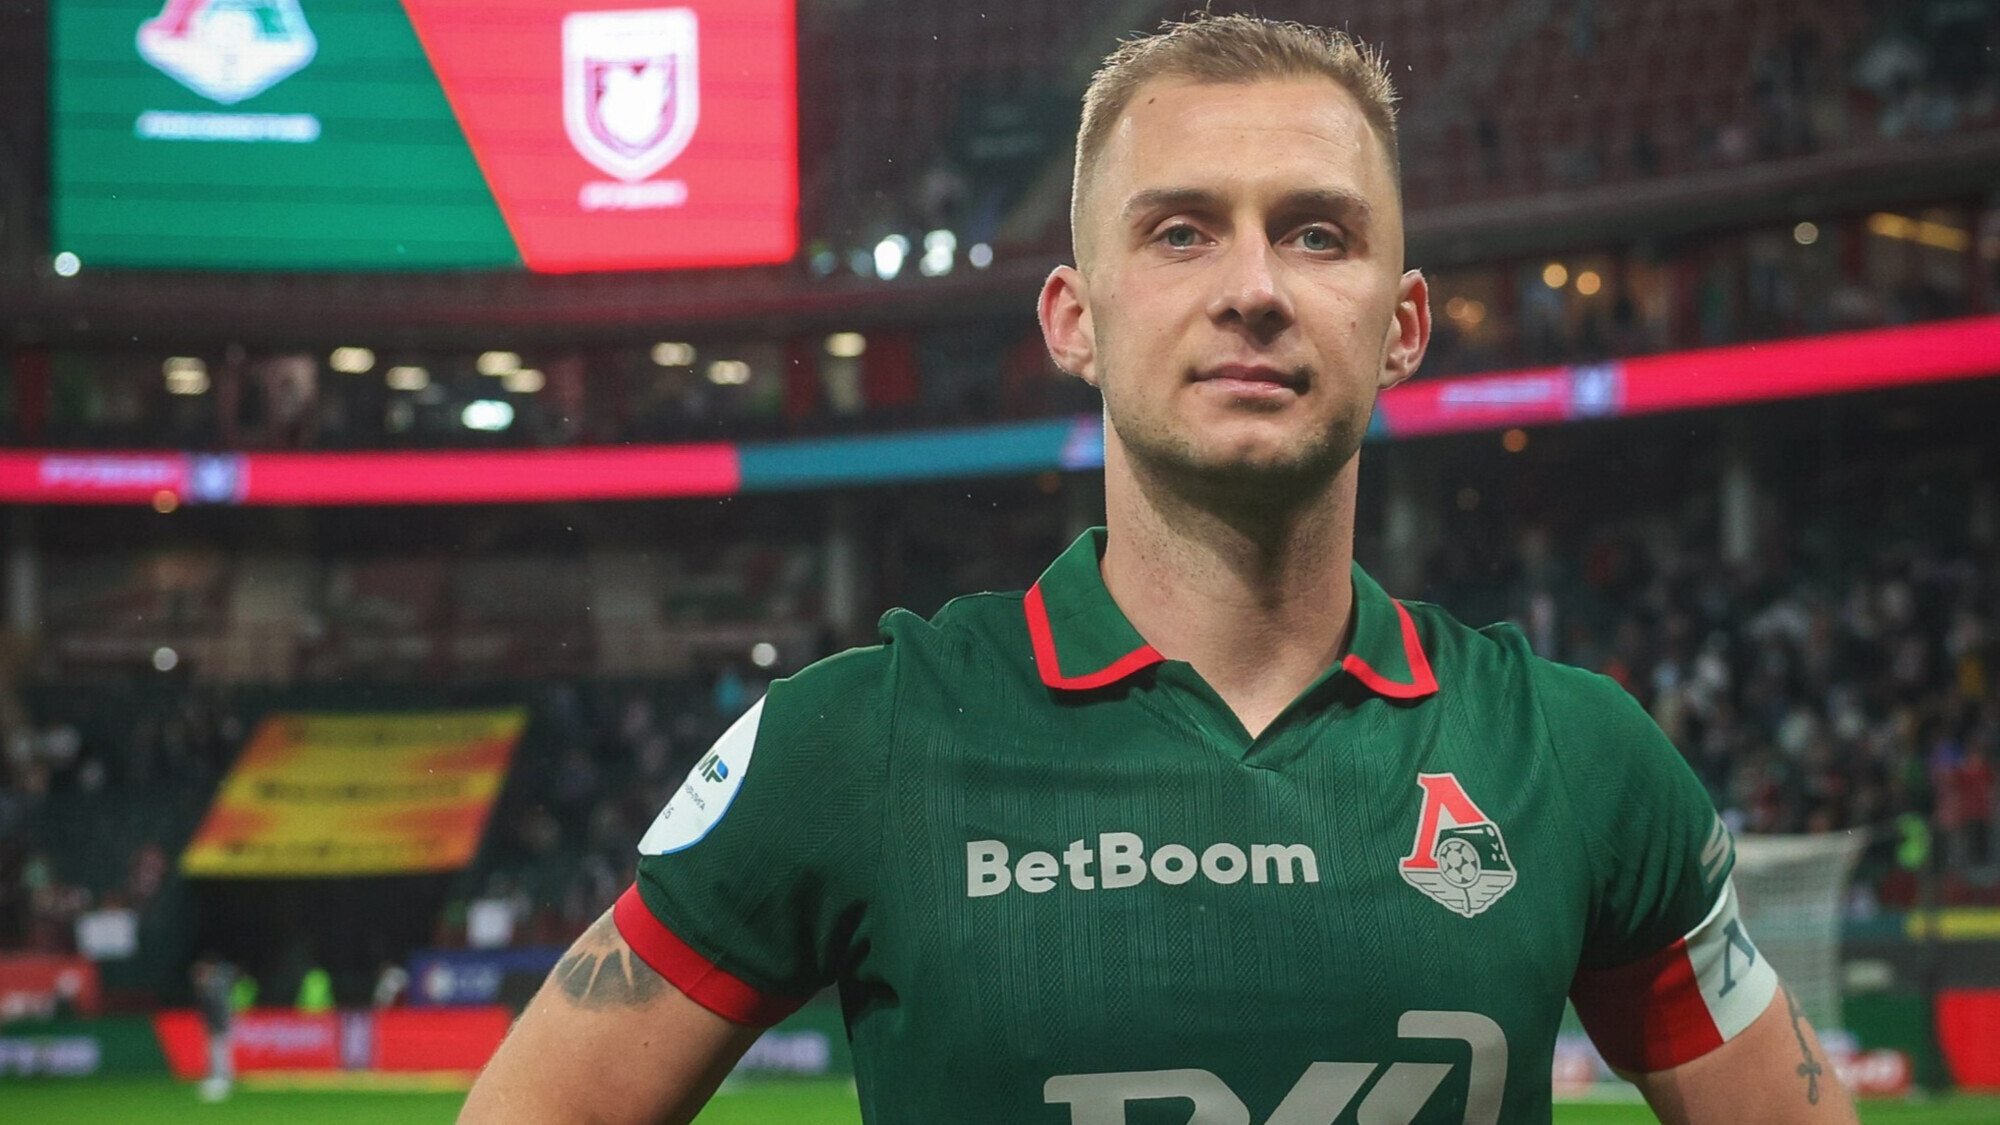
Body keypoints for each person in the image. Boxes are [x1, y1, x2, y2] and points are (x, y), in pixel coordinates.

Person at [460, 15, 1859, 1124]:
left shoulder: (1579, 759)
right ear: (1073, 317)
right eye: (1180, 231)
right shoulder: (853, 744)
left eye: (1316, 233)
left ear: (1402, 324)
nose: (1252, 287)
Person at [190, 951, 240, 1102]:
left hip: (220, 1024)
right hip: (217, 1023)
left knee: (219, 1052)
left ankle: (222, 1079)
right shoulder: (211, 986)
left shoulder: (215, 987)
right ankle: (219, 1078)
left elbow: (218, 1009)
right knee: (216, 1052)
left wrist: (216, 1025)